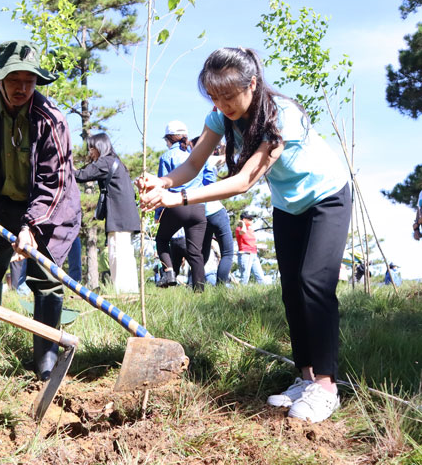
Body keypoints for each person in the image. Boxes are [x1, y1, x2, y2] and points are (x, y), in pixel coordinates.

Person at [137, 47, 351, 423]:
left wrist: (178, 197)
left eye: (228, 95)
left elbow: (243, 181)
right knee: (291, 288)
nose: (222, 105)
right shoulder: (219, 116)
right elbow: (192, 162)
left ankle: (327, 386)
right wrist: (164, 181)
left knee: (313, 283)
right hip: (289, 206)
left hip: (327, 197)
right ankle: (305, 378)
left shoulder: (282, 116)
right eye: (214, 96)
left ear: (252, 83)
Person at [0, 39, 81, 381]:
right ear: (0, 80)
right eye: (14, 80)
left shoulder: (51, 119)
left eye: (29, 81)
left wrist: (31, 228)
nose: (22, 88)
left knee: (46, 278)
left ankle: (46, 359)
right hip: (2, 201)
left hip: (51, 209)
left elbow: (55, 181)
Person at [74, 133, 140, 294]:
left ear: (99, 147)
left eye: (91, 148)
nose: (90, 153)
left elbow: (81, 175)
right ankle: (129, 291)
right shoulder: (116, 162)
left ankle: (123, 292)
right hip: (126, 216)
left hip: (119, 217)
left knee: (117, 254)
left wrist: (63, 164)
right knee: (125, 254)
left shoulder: (105, 162)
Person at [154, 121, 207, 291]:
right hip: (198, 204)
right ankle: (200, 291)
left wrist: (158, 213)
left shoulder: (167, 156)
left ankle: (169, 272)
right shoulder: (197, 154)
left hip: (177, 204)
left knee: (161, 239)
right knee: (195, 252)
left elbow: (162, 186)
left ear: (169, 138)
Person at [191, 136, 234, 285]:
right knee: (227, 252)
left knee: (201, 255)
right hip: (216, 211)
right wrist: (222, 146)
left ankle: (194, 286)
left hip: (200, 212)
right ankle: (221, 287)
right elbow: (227, 156)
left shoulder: (192, 164)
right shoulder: (209, 160)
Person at [235, 211, 266, 285]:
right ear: (244, 219)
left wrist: (258, 246)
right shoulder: (239, 228)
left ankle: (265, 296)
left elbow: (250, 243)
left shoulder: (250, 230)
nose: (252, 220)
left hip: (254, 254)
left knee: (261, 277)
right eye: (249, 218)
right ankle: (240, 295)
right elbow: (243, 232)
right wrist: (242, 223)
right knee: (245, 277)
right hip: (245, 254)